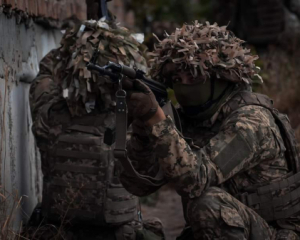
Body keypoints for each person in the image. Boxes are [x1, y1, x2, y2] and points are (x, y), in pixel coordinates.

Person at [120, 21, 300, 240]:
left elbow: (194, 180)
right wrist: (142, 125)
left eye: (194, 77)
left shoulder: (252, 120)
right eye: (177, 80)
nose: (185, 86)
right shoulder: (192, 118)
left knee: (208, 204)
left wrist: (155, 118)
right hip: (224, 228)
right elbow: (138, 184)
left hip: (275, 233)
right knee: (133, 233)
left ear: (222, 78)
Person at [26, 2, 164, 239]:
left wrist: (78, 42)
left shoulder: (50, 118)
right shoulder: (133, 125)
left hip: (62, 231)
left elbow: (46, 75)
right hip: (118, 233)